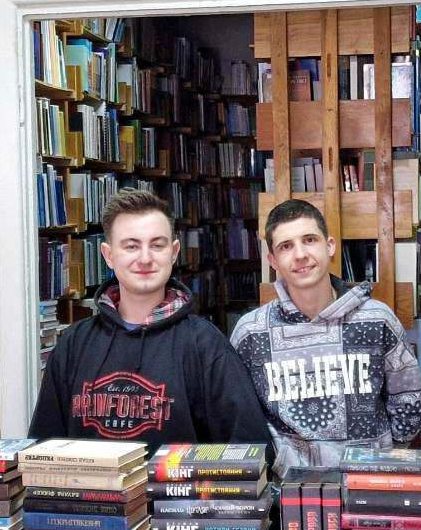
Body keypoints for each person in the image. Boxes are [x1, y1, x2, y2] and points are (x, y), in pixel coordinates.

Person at [28, 186, 270, 451]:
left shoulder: (205, 344)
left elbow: (249, 448)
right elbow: (44, 449)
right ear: (108, 255)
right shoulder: (74, 343)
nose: (145, 258)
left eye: (157, 245)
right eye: (131, 246)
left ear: (174, 252)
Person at [229, 198, 421, 473]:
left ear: (330, 245)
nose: (300, 254)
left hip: (366, 482)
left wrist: (381, 457)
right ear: (272, 260)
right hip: (289, 487)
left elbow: (410, 400)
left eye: (309, 240)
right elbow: (241, 418)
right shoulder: (250, 333)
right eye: (286, 246)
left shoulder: (377, 319)